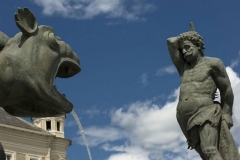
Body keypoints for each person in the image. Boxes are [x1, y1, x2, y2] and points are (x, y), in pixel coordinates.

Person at [167, 31, 239, 160]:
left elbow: (226, 90)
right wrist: (186, 38)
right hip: (184, 117)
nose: (184, 51)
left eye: (188, 47)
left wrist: (227, 113)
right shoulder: (183, 67)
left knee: (209, 150)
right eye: (182, 48)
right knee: (204, 155)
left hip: (206, 112)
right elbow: (171, 42)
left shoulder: (213, 63)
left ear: (198, 46)